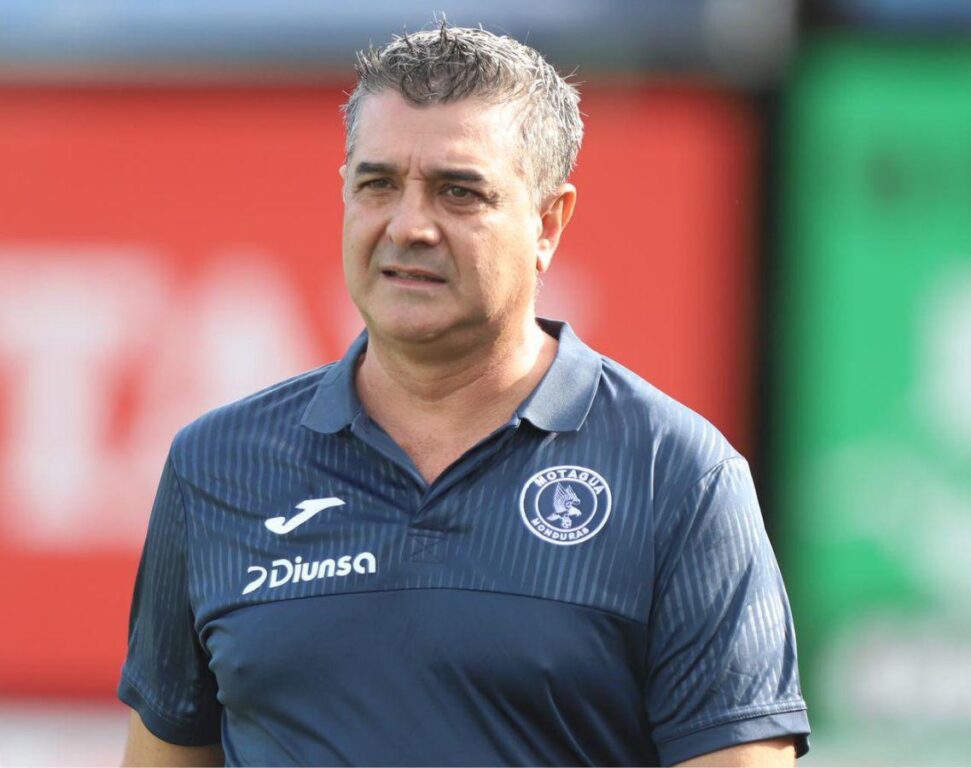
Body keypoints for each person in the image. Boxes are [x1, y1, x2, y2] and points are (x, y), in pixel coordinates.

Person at [119, 22, 810, 767]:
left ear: (548, 223)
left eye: (459, 192)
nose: (410, 226)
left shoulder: (674, 474)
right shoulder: (217, 464)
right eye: (378, 184)